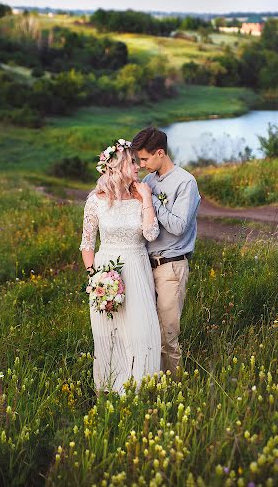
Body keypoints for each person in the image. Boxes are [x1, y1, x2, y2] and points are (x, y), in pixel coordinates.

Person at [79, 138, 161, 395]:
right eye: (133, 163)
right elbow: (87, 244)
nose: (138, 168)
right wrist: (96, 279)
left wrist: (146, 198)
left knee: (140, 330)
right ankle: (110, 389)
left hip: (136, 268)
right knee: (108, 333)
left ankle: (140, 389)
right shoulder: (95, 201)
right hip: (105, 273)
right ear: (117, 167)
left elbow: (150, 234)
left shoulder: (140, 197)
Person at [131, 127, 201, 376]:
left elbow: (179, 227)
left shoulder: (185, 182)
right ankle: (153, 383)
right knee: (149, 332)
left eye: (145, 159)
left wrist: (150, 202)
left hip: (171, 266)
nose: (141, 164)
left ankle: (176, 389)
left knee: (168, 335)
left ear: (160, 153)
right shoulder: (150, 180)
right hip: (146, 266)